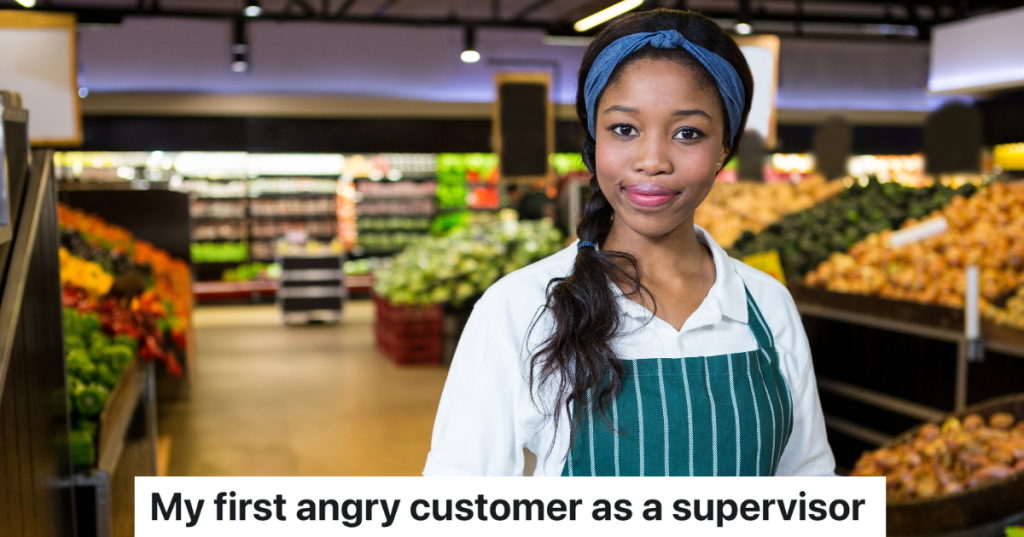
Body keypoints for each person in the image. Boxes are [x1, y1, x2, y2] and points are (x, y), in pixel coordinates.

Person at [424, 8, 834, 477]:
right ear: (593, 140)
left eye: (688, 133)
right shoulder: (520, 309)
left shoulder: (766, 304)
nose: (652, 160)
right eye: (624, 129)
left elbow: (809, 486)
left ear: (725, 147)